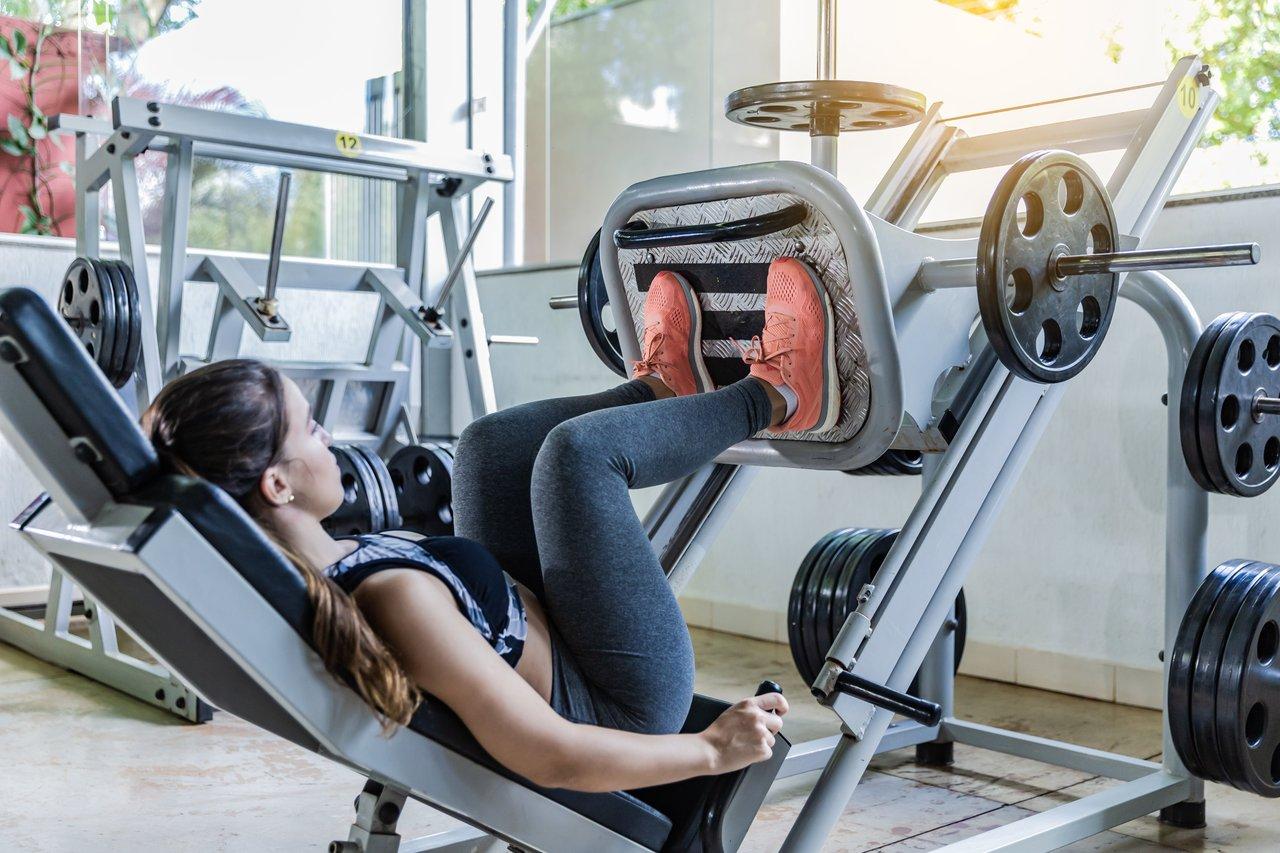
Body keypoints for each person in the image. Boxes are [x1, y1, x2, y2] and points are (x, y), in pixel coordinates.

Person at [143, 257, 838, 793]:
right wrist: (711, 749)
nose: (330, 438)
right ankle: (781, 393)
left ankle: (662, 390)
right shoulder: (395, 599)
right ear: (276, 485)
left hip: (549, 629)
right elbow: (550, 753)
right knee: (577, 456)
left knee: (486, 449)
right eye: (312, 428)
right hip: (616, 697)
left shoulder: (327, 560)